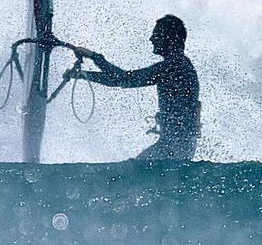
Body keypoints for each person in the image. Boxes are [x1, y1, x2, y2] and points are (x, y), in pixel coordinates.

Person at [68, 14, 200, 161]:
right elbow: (122, 80)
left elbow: (125, 79)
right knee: (136, 172)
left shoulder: (175, 67)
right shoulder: (180, 65)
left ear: (169, 38)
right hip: (179, 145)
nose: (151, 39)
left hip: (174, 146)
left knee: (133, 173)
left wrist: (94, 57)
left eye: (156, 34)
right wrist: (83, 74)